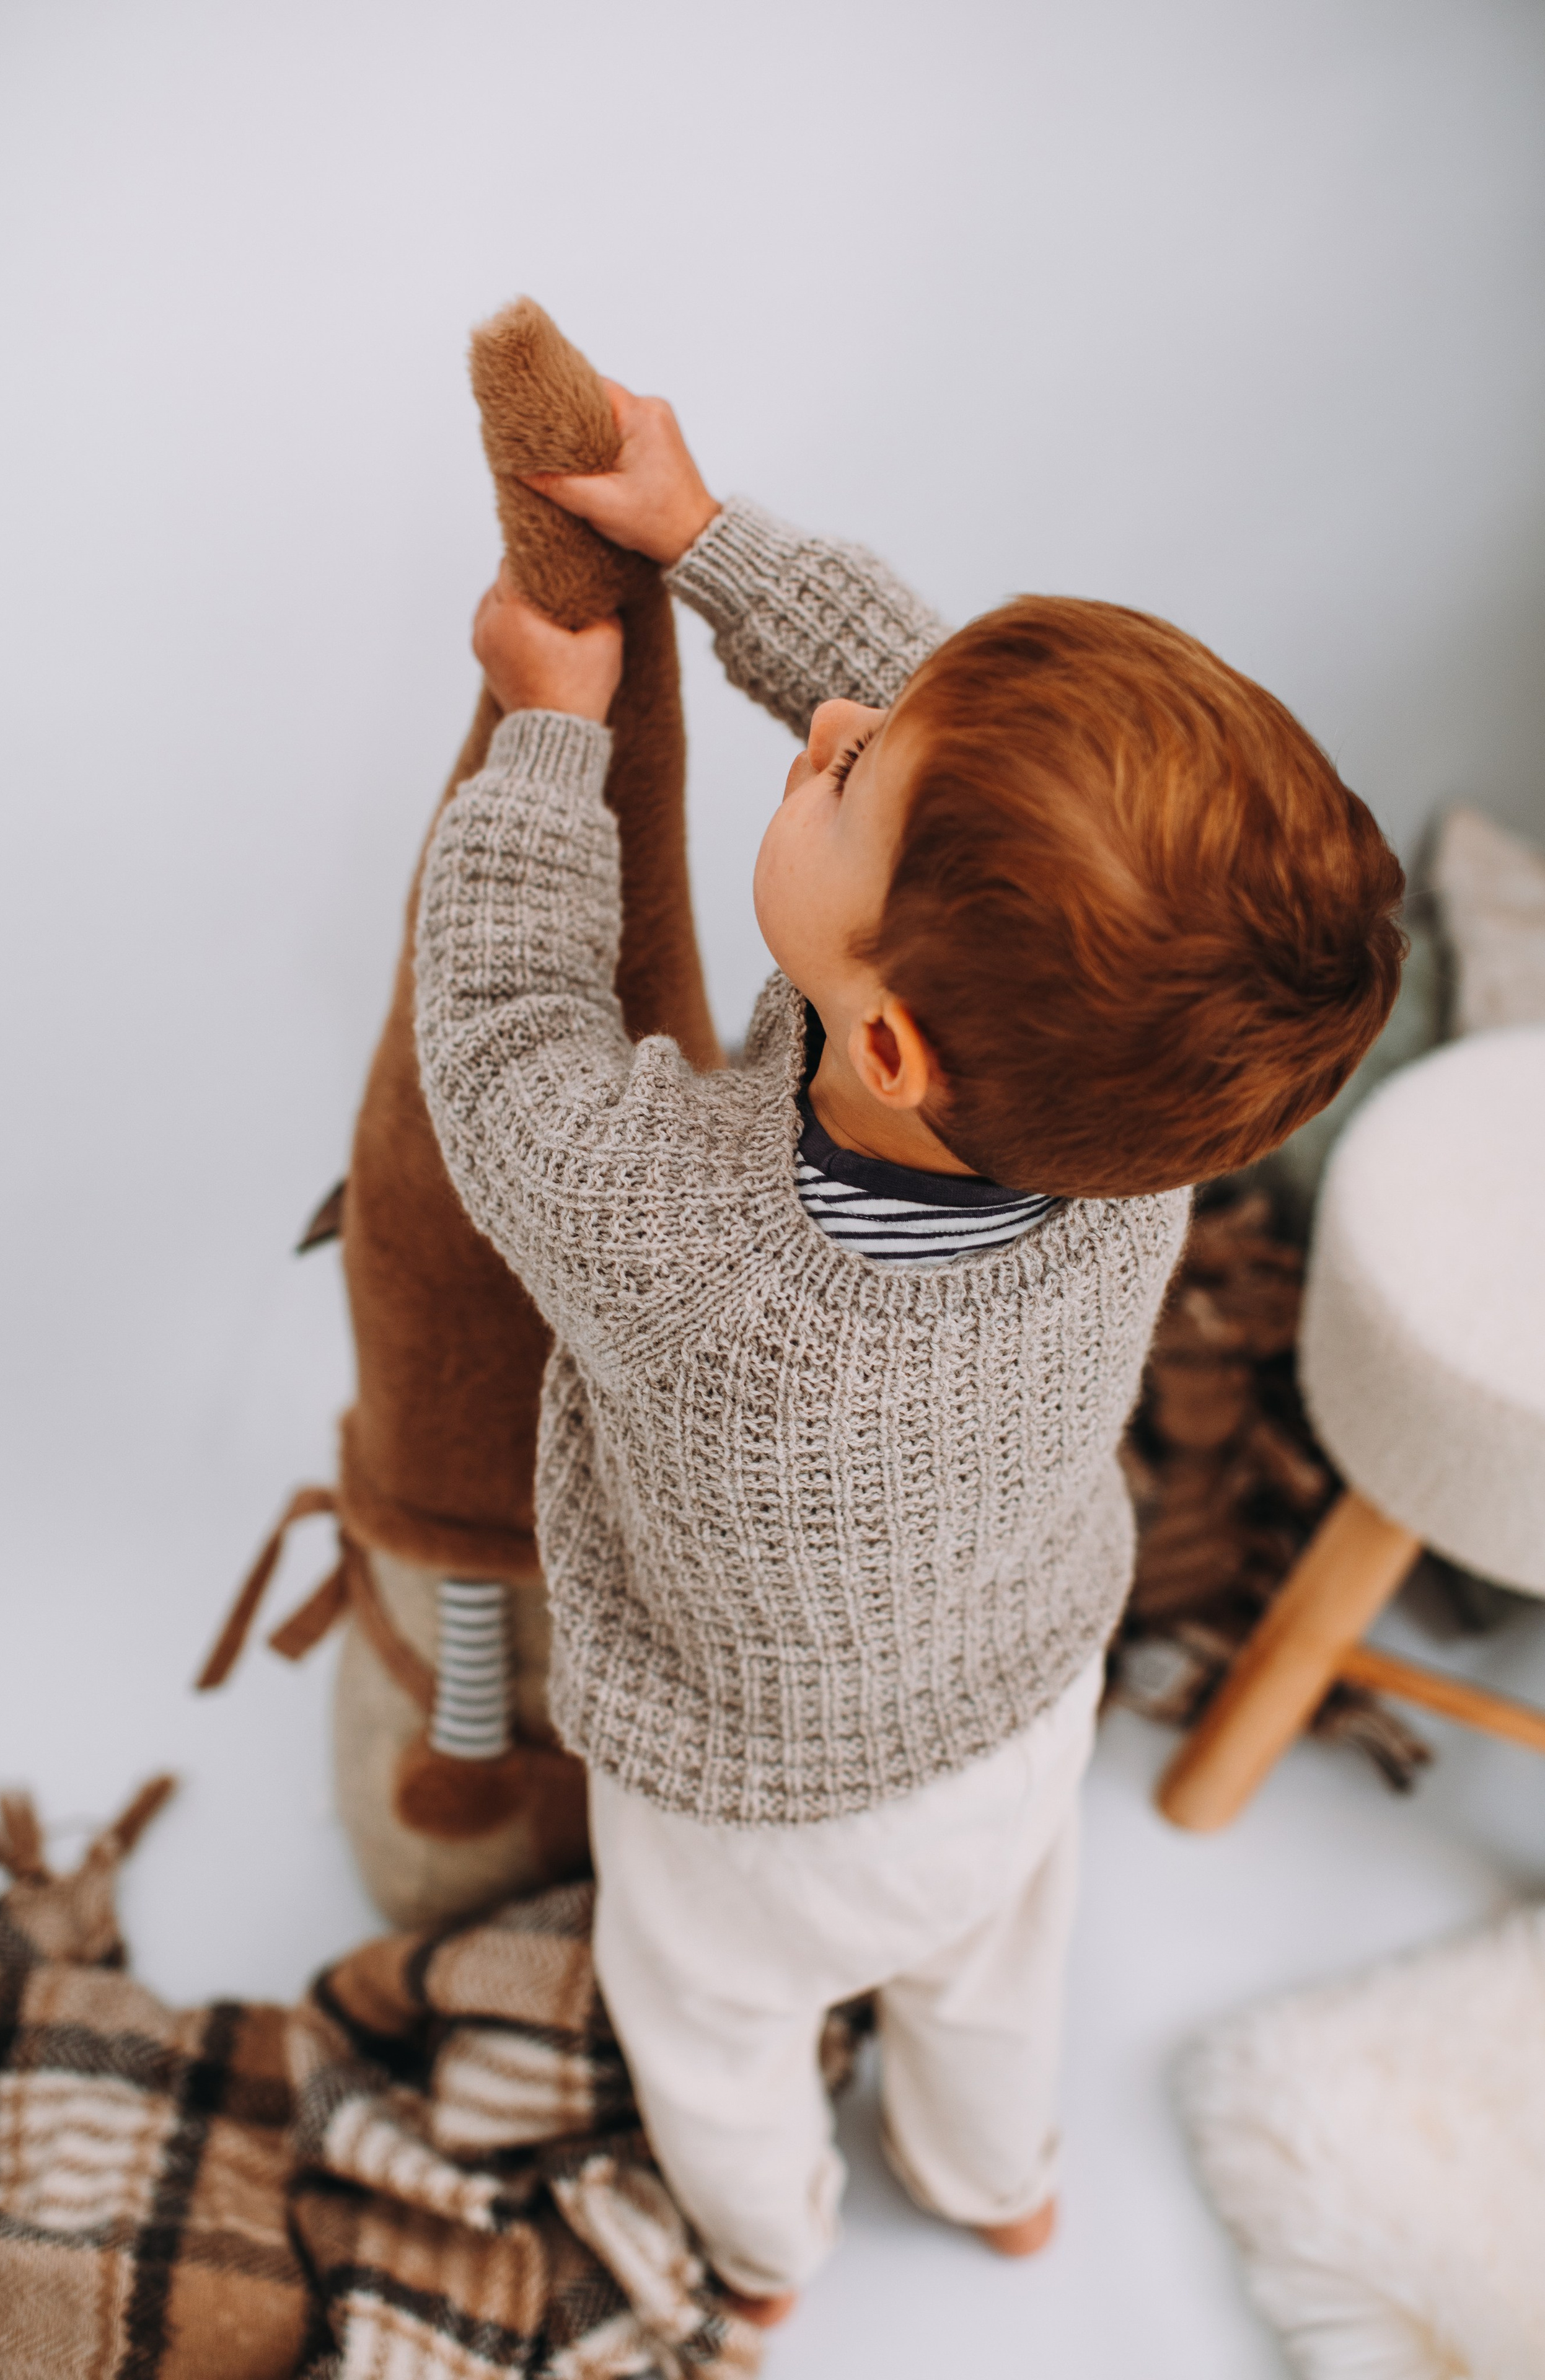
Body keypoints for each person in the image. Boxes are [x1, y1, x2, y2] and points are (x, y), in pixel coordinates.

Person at [413, 382, 1405, 2324]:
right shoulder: (1140, 1135)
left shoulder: (679, 1239)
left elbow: (505, 1037)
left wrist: (547, 738)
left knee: (704, 2029)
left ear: (888, 1050)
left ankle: (767, 2254)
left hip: (746, 1808)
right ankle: (1005, 2181)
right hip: (1024, 1709)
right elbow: (956, 730)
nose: (839, 727)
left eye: (843, 779)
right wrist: (707, 536)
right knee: (993, 1968)